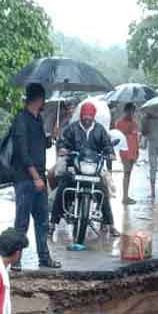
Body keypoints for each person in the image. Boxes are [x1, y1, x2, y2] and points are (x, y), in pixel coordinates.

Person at [9, 83, 61, 271]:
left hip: (39, 176)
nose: (44, 102)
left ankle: (44, 258)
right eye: (44, 99)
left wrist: (51, 138)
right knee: (22, 222)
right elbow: (23, 152)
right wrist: (35, 177)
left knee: (42, 221)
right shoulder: (21, 120)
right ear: (38, 99)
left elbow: (40, 146)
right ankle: (16, 260)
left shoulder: (37, 119)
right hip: (25, 178)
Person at [50, 102, 119, 238]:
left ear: (94, 116)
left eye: (90, 115)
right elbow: (63, 141)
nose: (87, 118)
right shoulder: (72, 128)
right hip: (75, 166)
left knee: (103, 190)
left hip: (93, 168)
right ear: (81, 115)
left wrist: (110, 152)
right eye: (85, 115)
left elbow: (107, 145)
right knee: (63, 186)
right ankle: (52, 224)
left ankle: (110, 225)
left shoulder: (100, 130)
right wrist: (63, 148)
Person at [114, 102, 141, 205]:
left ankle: (126, 196)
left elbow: (136, 138)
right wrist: (127, 132)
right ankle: (124, 197)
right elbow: (118, 138)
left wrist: (137, 151)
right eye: (130, 111)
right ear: (125, 111)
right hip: (125, 152)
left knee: (128, 174)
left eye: (133, 111)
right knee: (126, 173)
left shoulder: (135, 123)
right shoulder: (119, 123)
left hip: (133, 151)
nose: (131, 113)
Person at [142, 112, 158, 202]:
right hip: (154, 145)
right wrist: (144, 122)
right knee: (155, 168)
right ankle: (154, 192)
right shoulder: (148, 119)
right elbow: (144, 132)